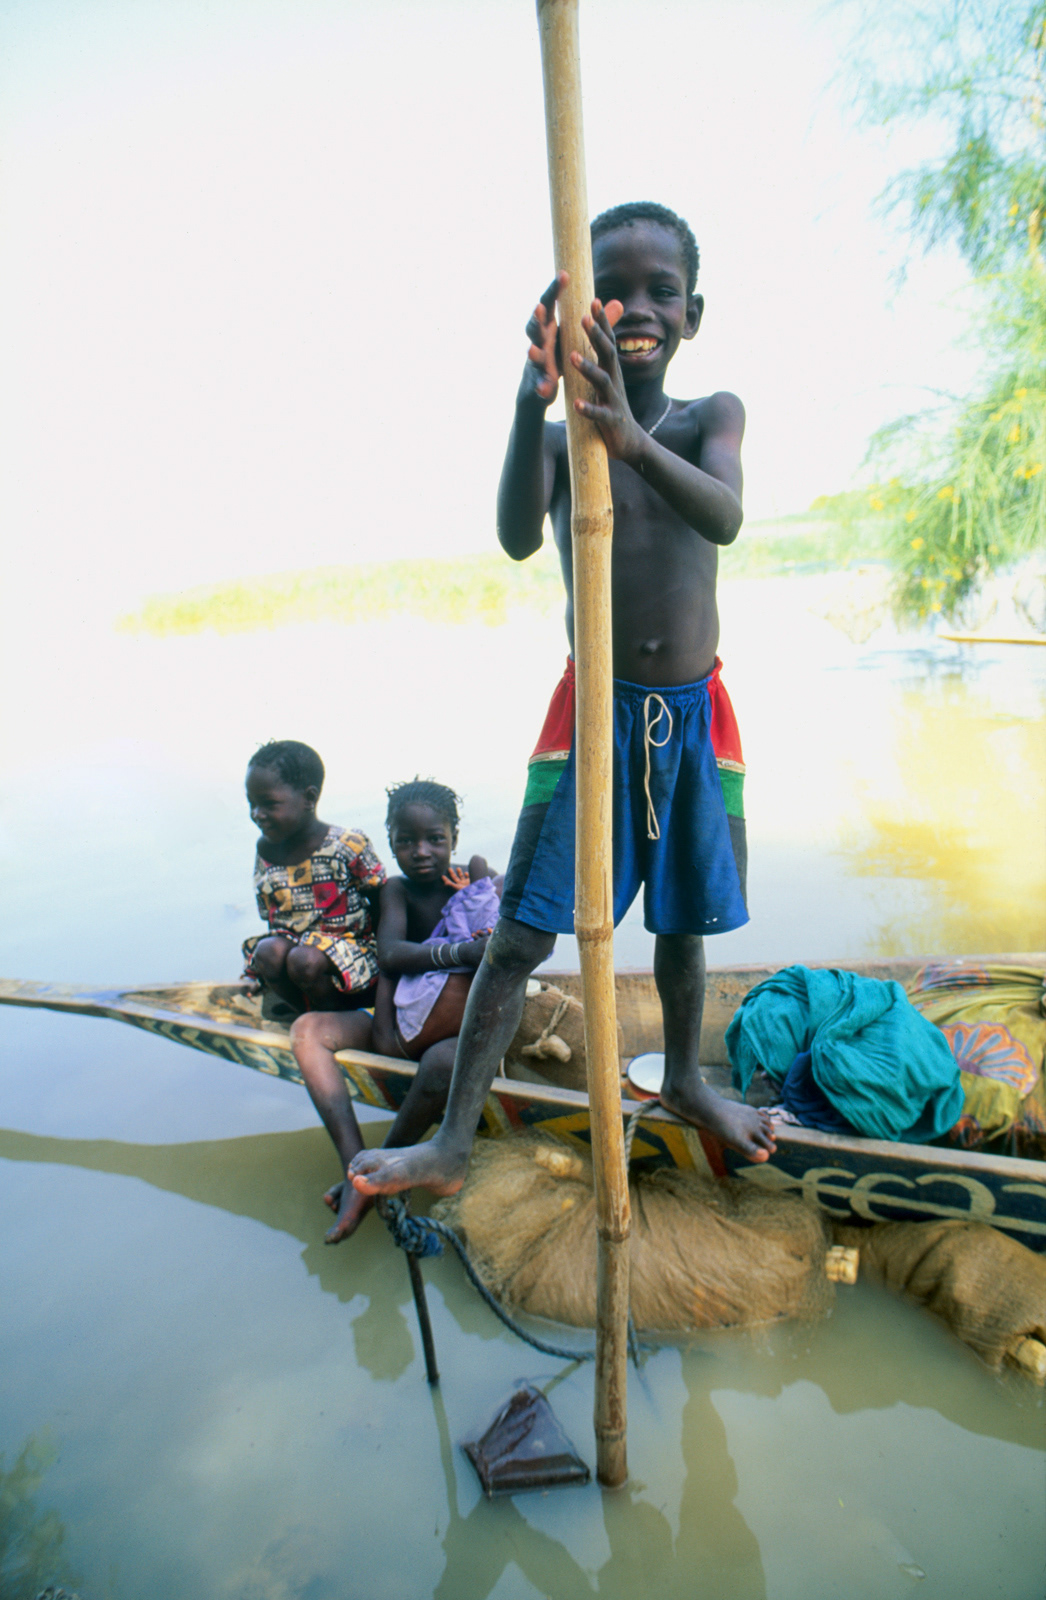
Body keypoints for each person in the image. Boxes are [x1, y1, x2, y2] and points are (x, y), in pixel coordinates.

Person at [350, 200, 776, 1204]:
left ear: (693, 312)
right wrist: (526, 403)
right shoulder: (558, 446)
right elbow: (510, 536)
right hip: (591, 714)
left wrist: (629, 438)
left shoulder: (709, 413)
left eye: (658, 292)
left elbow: (722, 515)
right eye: (611, 290)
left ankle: (679, 1077)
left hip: (690, 715)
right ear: (578, 311)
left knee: (682, 920)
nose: (634, 308)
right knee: (522, 932)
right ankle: (451, 1143)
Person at [293, 778, 499, 1243]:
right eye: (406, 841)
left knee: (444, 1062)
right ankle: (355, 1164)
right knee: (308, 1031)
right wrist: (458, 954)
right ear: (390, 842)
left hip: (448, 1028)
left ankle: (372, 1175)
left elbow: (502, 930)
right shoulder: (397, 891)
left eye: (435, 840)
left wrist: (484, 889)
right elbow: (391, 955)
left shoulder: (472, 882)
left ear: (454, 839)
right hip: (394, 1021)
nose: (421, 851)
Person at [242, 740, 385, 1016]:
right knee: (267, 952)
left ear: (309, 798)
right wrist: (256, 973)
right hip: (298, 950)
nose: (257, 814)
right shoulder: (265, 852)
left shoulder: (347, 844)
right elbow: (271, 916)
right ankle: (307, 1011)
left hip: (352, 952)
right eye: (252, 804)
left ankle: (338, 1016)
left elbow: (381, 898)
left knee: (304, 960)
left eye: (269, 804)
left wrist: (390, 964)